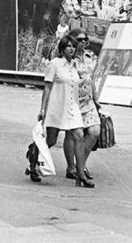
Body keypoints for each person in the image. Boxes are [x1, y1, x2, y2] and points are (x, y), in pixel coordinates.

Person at [35, 35, 94, 188]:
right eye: (68, 46)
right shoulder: (54, 64)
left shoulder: (75, 66)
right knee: (51, 141)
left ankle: (80, 174)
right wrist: (43, 109)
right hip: (57, 107)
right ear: (62, 49)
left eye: (73, 46)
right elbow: (47, 87)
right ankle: (33, 161)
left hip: (72, 107)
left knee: (79, 136)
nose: (71, 49)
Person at [71, 28, 102, 181]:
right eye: (80, 39)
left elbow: (92, 80)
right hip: (73, 102)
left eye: (85, 39)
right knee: (75, 136)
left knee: (95, 131)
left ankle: (81, 165)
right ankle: (74, 167)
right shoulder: (68, 58)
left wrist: (97, 101)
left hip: (88, 101)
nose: (83, 42)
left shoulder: (90, 56)